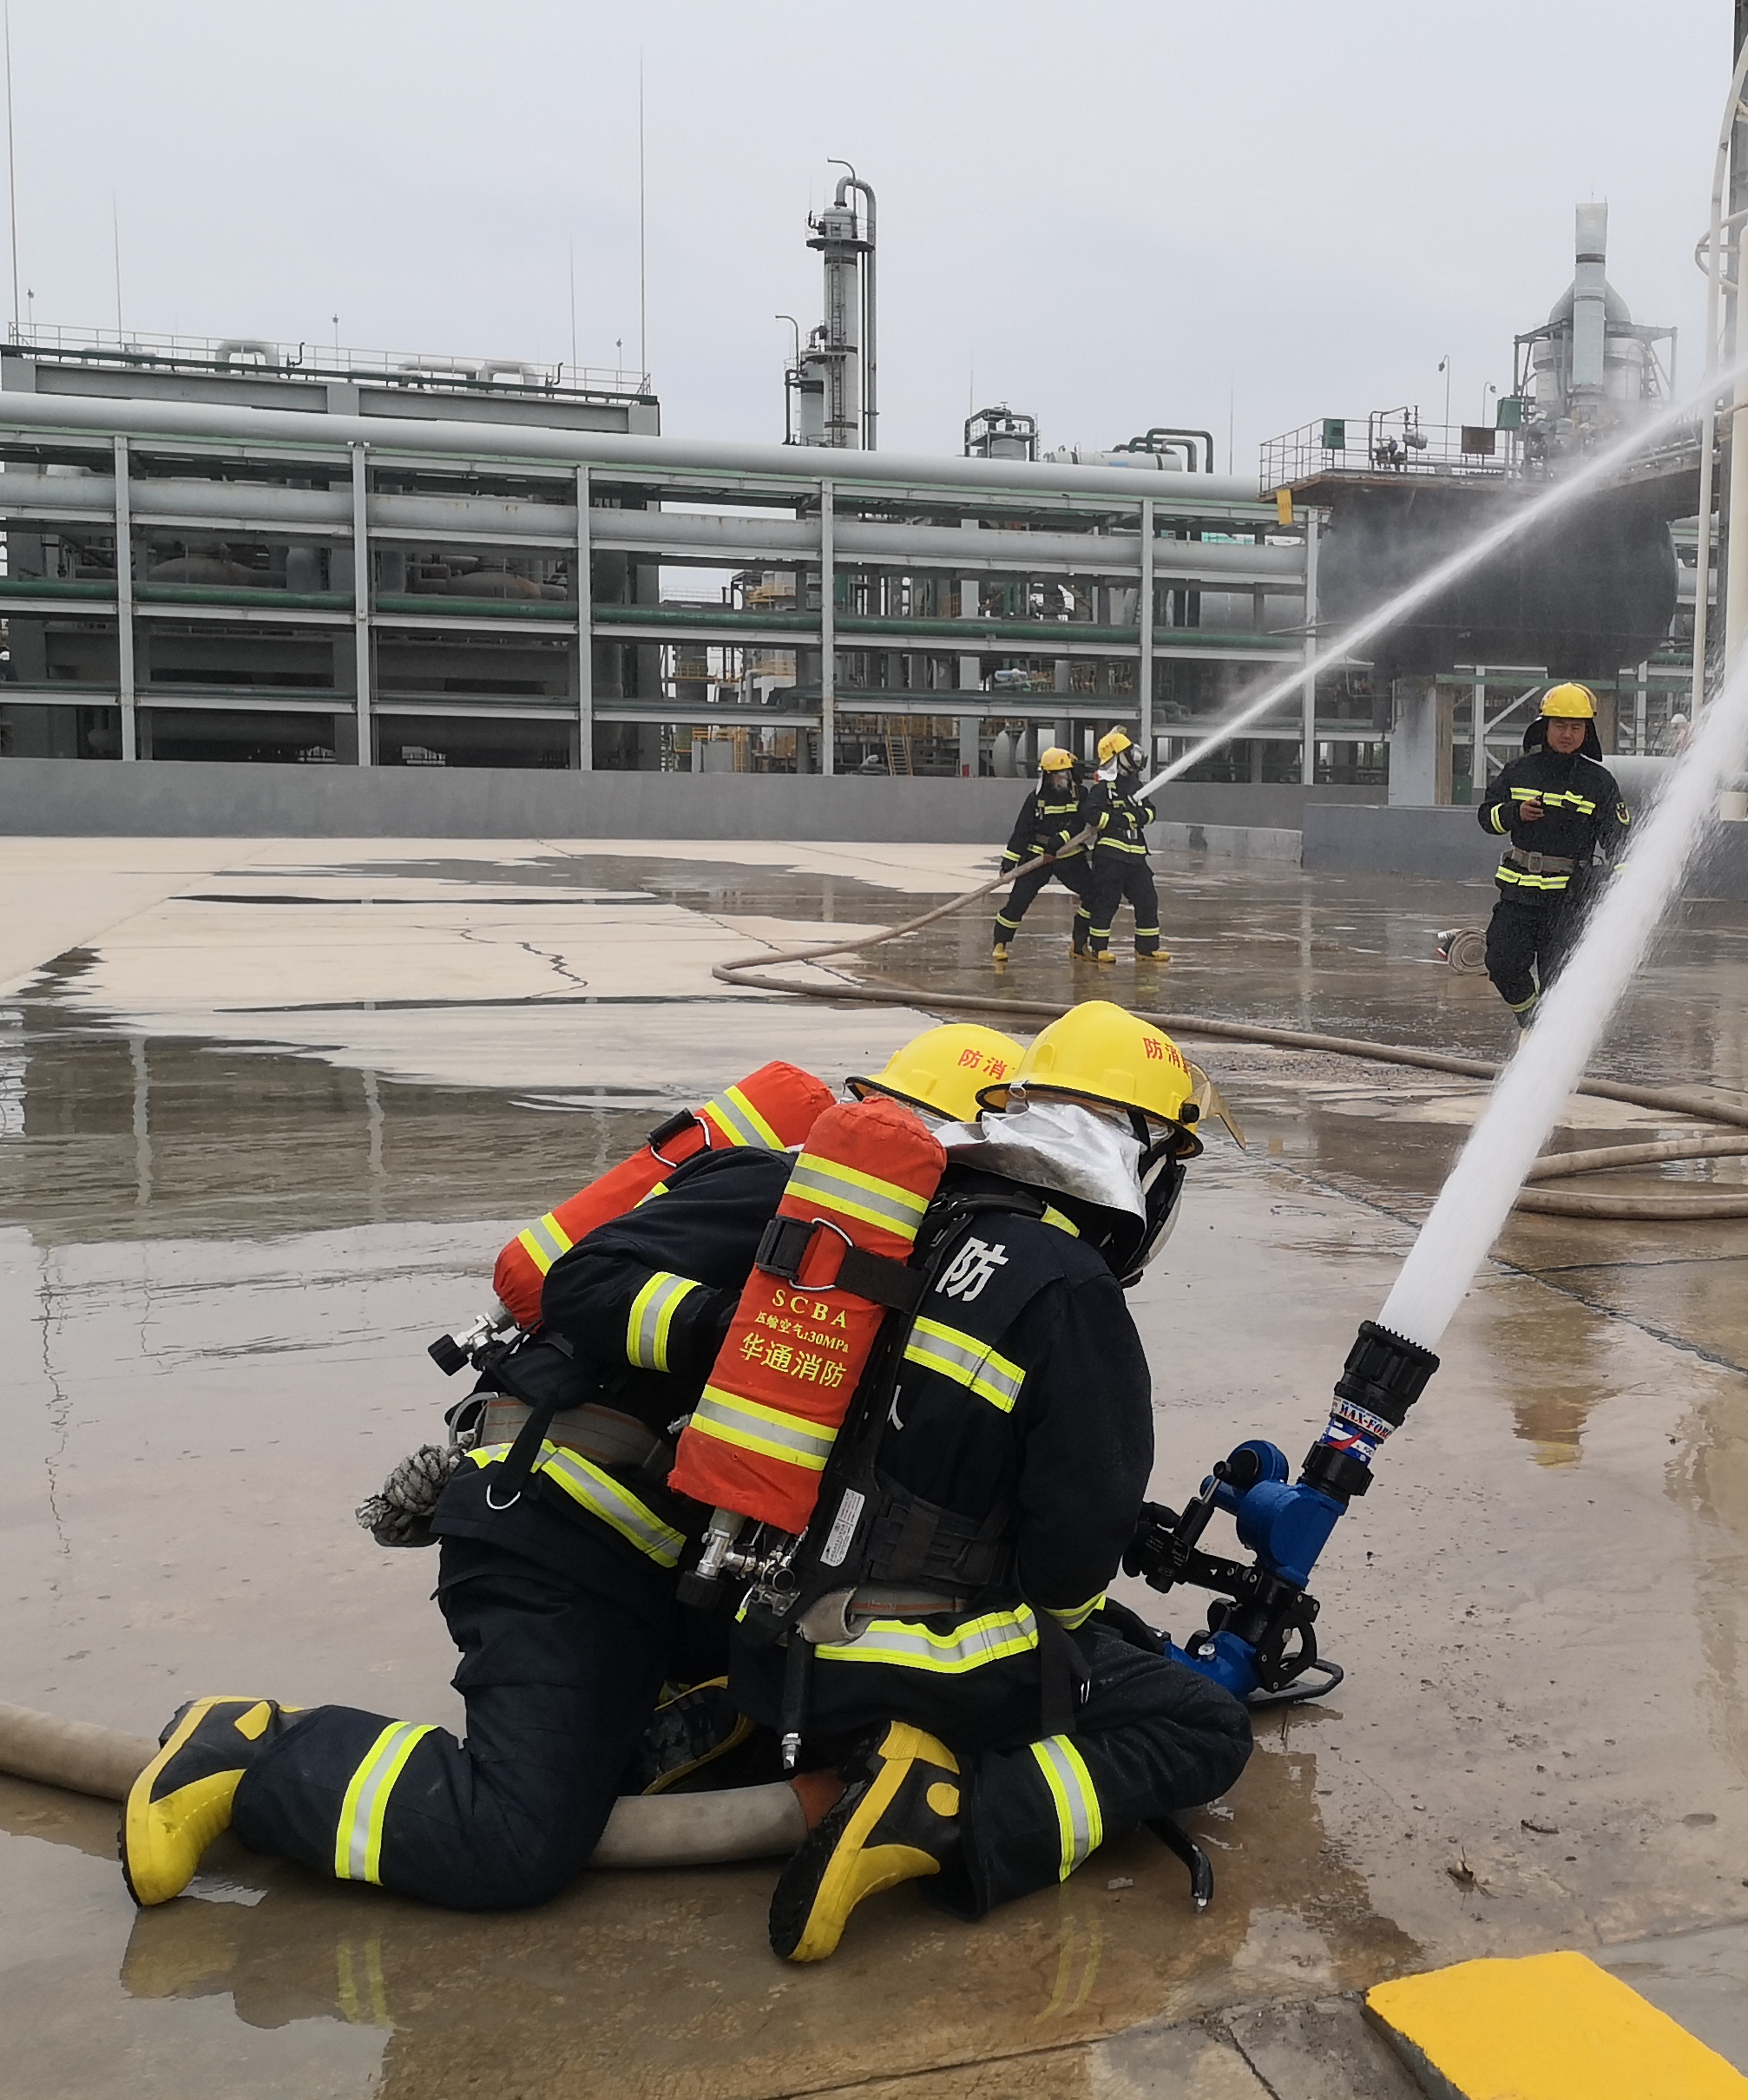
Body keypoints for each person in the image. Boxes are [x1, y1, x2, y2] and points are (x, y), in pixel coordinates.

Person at [115, 1022, 1028, 1915]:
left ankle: (636, 1723)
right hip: (558, 1528)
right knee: (514, 1839)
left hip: (653, 1558)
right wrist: (744, 1331)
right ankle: (247, 1752)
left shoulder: (896, 1254)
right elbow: (584, 1284)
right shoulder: (776, 1191)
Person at [746, 1000, 1251, 1962]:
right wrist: (1071, 1638)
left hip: (774, 1631)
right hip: (893, 1662)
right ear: (1138, 1151)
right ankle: (941, 1817)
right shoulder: (1069, 1287)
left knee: (1109, 1644)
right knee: (1200, 1726)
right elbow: (1074, 1548)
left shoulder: (923, 1222)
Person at [1475, 681, 1631, 1029]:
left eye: (1576, 727)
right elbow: (1487, 818)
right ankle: (1532, 1021)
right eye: (1560, 725)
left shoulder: (1599, 782)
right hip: (1519, 895)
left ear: (1587, 732)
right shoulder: (1518, 772)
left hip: (1568, 901)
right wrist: (1515, 813)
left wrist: (1625, 890)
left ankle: (1548, 1035)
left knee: (1559, 980)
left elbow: (1620, 839)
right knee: (1502, 963)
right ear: (1544, 726)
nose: (1567, 734)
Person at [992, 748, 1101, 965]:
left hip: (1069, 855)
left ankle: (1079, 945)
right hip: (1038, 856)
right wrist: (1009, 862)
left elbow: (1080, 822)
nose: (1063, 778)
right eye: (1058, 774)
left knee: (1094, 895)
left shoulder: (1080, 794)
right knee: (1019, 900)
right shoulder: (1036, 798)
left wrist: (1060, 840)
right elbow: (1022, 830)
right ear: (1047, 775)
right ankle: (1000, 943)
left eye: (1065, 773)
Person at [1075, 726, 1163, 961]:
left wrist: (1135, 816)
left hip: (1136, 856)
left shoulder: (1136, 787)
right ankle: (1098, 948)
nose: (1133, 755)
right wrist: (1118, 819)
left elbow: (1151, 812)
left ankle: (1146, 949)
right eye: (1126, 752)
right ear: (1115, 757)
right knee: (1107, 902)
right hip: (1111, 857)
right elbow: (1090, 813)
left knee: (1147, 899)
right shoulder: (1103, 788)